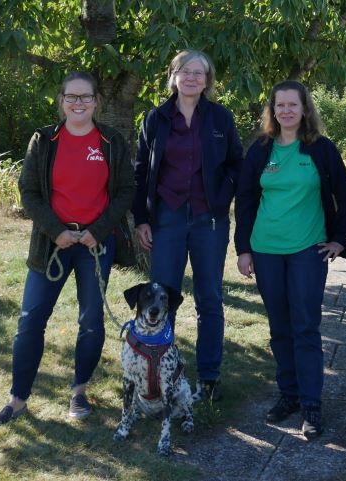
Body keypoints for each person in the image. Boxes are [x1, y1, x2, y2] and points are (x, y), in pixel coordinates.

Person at [0, 71, 135, 428]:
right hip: (52, 244)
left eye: (85, 97)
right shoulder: (44, 140)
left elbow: (126, 190)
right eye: (72, 96)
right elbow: (29, 191)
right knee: (30, 320)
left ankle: (79, 392)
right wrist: (56, 231)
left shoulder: (111, 141)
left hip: (95, 245)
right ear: (61, 100)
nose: (78, 103)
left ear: (96, 101)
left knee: (92, 321)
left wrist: (97, 231)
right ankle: (17, 400)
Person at [235, 80, 346, 439]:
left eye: (293, 105)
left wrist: (339, 239)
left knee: (305, 326)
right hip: (266, 250)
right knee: (279, 327)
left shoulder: (321, 149)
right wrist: (244, 249)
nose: (286, 111)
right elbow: (244, 200)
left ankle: (311, 405)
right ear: (272, 110)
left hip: (307, 250)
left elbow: (345, 198)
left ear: (305, 109)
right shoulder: (260, 150)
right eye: (280, 105)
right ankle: (287, 395)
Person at [132, 49, 243, 402]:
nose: (193, 78)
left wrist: (221, 199)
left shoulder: (220, 118)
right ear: (174, 76)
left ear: (208, 80)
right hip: (167, 218)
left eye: (200, 73)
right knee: (161, 297)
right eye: (186, 71)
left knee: (208, 298)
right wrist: (142, 219)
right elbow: (140, 172)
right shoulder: (156, 118)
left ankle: (209, 377)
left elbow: (236, 164)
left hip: (209, 219)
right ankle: (160, 373)